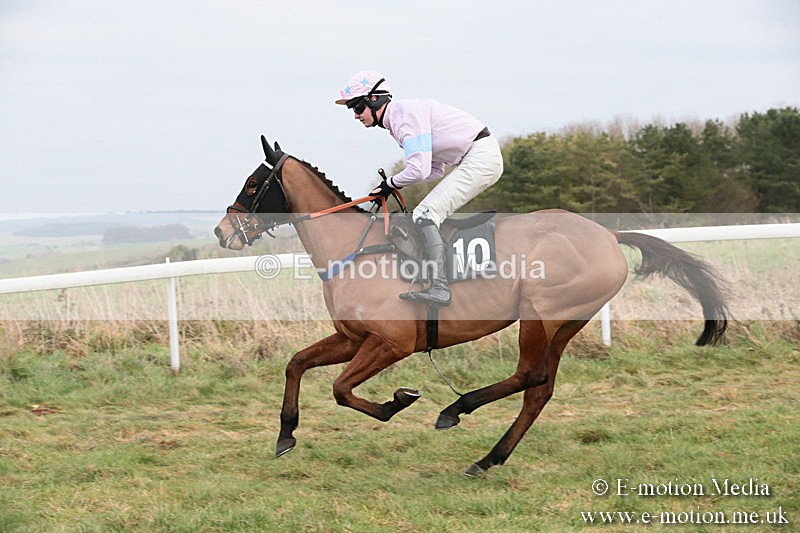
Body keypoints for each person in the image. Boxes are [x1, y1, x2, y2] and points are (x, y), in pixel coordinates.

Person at [335, 70, 503, 306]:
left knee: (425, 213)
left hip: (480, 157)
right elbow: (434, 171)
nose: (355, 115)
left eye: (357, 107)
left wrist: (389, 184)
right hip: (474, 157)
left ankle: (440, 288)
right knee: (424, 212)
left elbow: (420, 170)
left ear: (375, 100)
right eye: (352, 109)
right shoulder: (399, 120)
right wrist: (392, 185)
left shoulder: (405, 117)